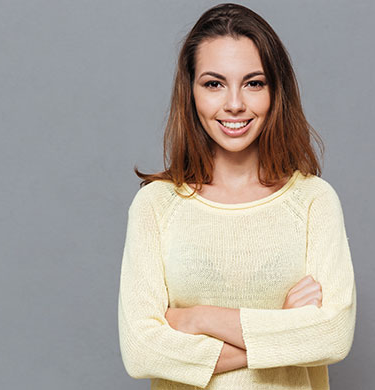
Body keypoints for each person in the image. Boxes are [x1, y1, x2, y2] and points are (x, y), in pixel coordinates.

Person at [118, 3, 357, 389]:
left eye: (254, 83)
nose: (234, 104)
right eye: (214, 83)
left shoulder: (314, 201)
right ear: (191, 91)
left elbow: (333, 335)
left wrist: (199, 318)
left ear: (276, 91)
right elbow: (141, 350)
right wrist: (282, 327)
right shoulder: (156, 206)